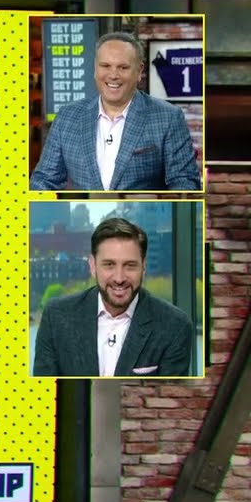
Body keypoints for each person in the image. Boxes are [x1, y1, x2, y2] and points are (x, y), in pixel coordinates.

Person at [30, 32, 201, 192]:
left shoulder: (168, 117)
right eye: (105, 66)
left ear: (139, 71)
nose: (113, 75)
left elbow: (184, 182)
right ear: (95, 69)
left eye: (123, 67)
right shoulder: (68, 117)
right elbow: (44, 180)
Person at [32, 217, 193, 377]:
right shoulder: (56, 318)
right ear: (93, 266)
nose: (119, 278)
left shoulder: (174, 326)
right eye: (109, 265)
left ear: (143, 267)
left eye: (130, 266)